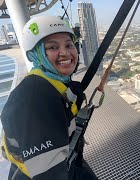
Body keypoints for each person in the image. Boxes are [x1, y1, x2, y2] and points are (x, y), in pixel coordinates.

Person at [0, 16, 97, 180]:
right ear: (35, 55)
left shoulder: (52, 82)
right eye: (52, 47)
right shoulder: (34, 101)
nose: (65, 52)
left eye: (69, 44)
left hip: (67, 161)